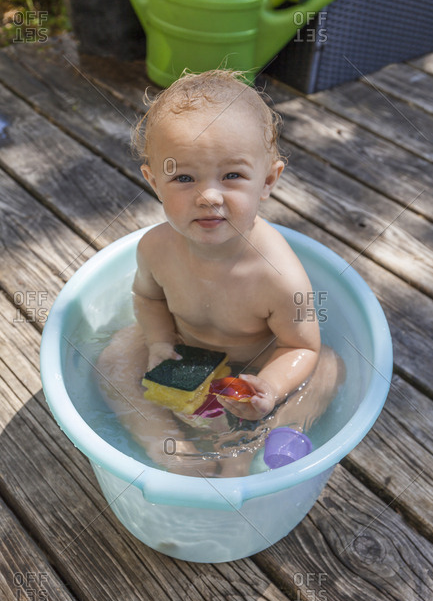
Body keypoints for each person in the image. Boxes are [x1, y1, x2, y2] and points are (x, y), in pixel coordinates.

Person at [96, 70, 345, 477]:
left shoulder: (278, 277)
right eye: (183, 178)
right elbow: (148, 298)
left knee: (329, 369)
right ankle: (164, 446)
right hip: (184, 355)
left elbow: (302, 348)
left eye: (232, 176)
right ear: (154, 181)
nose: (208, 196)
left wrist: (270, 388)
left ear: (267, 181)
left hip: (251, 376)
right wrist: (159, 343)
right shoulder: (155, 249)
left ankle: (254, 442)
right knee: (114, 357)